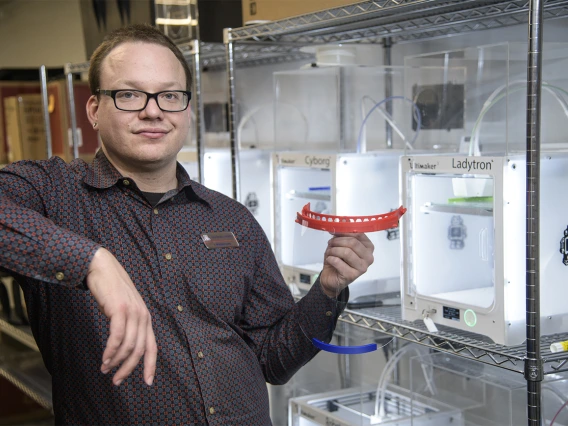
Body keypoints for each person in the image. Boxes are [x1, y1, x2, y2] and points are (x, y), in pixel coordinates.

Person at [0, 24, 374, 425]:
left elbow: (273, 360)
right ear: (94, 110)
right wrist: (92, 261)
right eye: (128, 94)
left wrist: (329, 288)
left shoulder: (231, 218)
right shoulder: (53, 194)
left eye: (170, 95)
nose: (153, 109)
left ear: (187, 109)